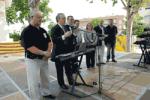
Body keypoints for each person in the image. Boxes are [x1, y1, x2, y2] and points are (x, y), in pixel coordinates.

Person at [20, 10, 55, 100]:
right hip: (32, 60)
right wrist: (44, 53)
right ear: (32, 17)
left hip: (44, 59)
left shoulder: (43, 30)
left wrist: (47, 53)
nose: (41, 19)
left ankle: (46, 92)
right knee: (33, 81)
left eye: (41, 17)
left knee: (46, 77)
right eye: (38, 17)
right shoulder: (26, 31)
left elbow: (49, 42)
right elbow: (30, 47)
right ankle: (35, 98)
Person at [51, 13, 74, 89]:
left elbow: (69, 39)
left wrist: (72, 35)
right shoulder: (55, 28)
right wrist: (64, 36)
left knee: (68, 68)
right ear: (58, 19)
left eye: (64, 18)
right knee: (60, 70)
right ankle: (61, 84)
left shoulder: (66, 27)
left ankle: (71, 81)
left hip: (66, 52)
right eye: (63, 18)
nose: (64, 19)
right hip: (58, 53)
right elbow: (54, 40)